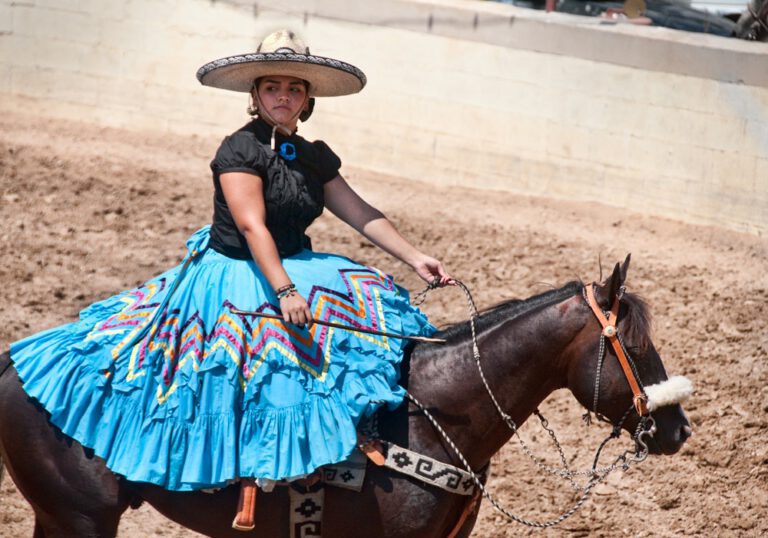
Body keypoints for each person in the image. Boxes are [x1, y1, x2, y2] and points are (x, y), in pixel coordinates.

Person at [10, 29, 451, 493]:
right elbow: (251, 227)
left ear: (307, 98)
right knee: (260, 361)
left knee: (354, 332)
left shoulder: (313, 156)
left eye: (294, 88)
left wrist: (415, 256)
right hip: (238, 271)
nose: (284, 96)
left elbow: (360, 213)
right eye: (272, 87)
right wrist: (284, 289)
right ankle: (251, 473)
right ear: (255, 94)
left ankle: (341, 453)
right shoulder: (239, 149)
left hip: (297, 261)